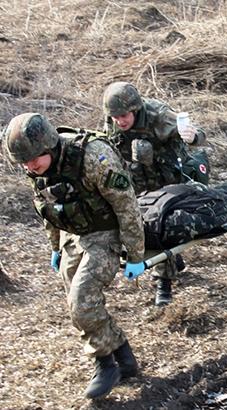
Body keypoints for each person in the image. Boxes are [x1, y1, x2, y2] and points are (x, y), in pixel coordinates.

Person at [2, 113, 146, 400]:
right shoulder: (36, 167)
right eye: (25, 163)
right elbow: (47, 208)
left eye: (34, 159)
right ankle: (124, 357)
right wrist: (55, 246)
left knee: (82, 300)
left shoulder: (93, 156)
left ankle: (105, 365)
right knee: (77, 305)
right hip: (74, 234)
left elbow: (126, 204)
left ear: (49, 145)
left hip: (106, 231)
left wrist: (135, 253)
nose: (30, 167)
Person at [102, 81, 209, 305]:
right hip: (137, 178)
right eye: (115, 117)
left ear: (135, 109)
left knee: (159, 224)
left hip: (166, 176)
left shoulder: (158, 116)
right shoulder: (111, 121)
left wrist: (192, 136)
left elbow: (198, 135)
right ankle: (173, 260)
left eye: (125, 116)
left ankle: (164, 283)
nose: (120, 121)